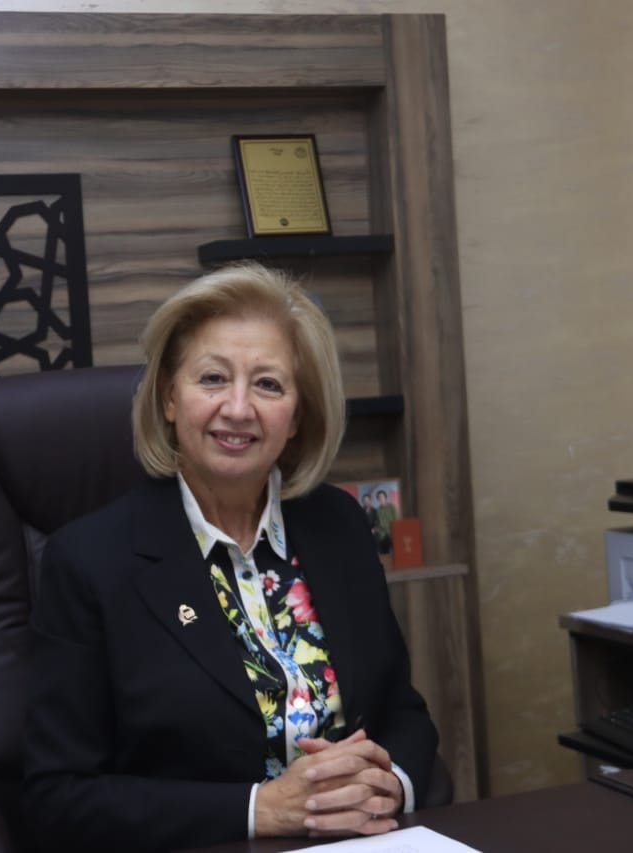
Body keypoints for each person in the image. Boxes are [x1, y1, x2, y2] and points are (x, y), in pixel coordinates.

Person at [22, 262, 440, 852]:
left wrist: (389, 785)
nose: (239, 408)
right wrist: (258, 810)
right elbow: (57, 797)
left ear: (297, 416)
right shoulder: (90, 562)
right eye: (213, 378)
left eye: (268, 385)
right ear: (169, 398)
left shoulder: (339, 524)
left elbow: (402, 711)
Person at [374, 488, 399, 556]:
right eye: (379, 497)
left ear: (385, 497)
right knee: (384, 554)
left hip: (392, 533)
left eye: (382, 496)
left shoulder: (391, 507)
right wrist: (376, 529)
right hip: (383, 534)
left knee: (396, 553)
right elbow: (378, 522)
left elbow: (396, 520)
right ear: (378, 499)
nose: (381, 498)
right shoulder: (378, 510)